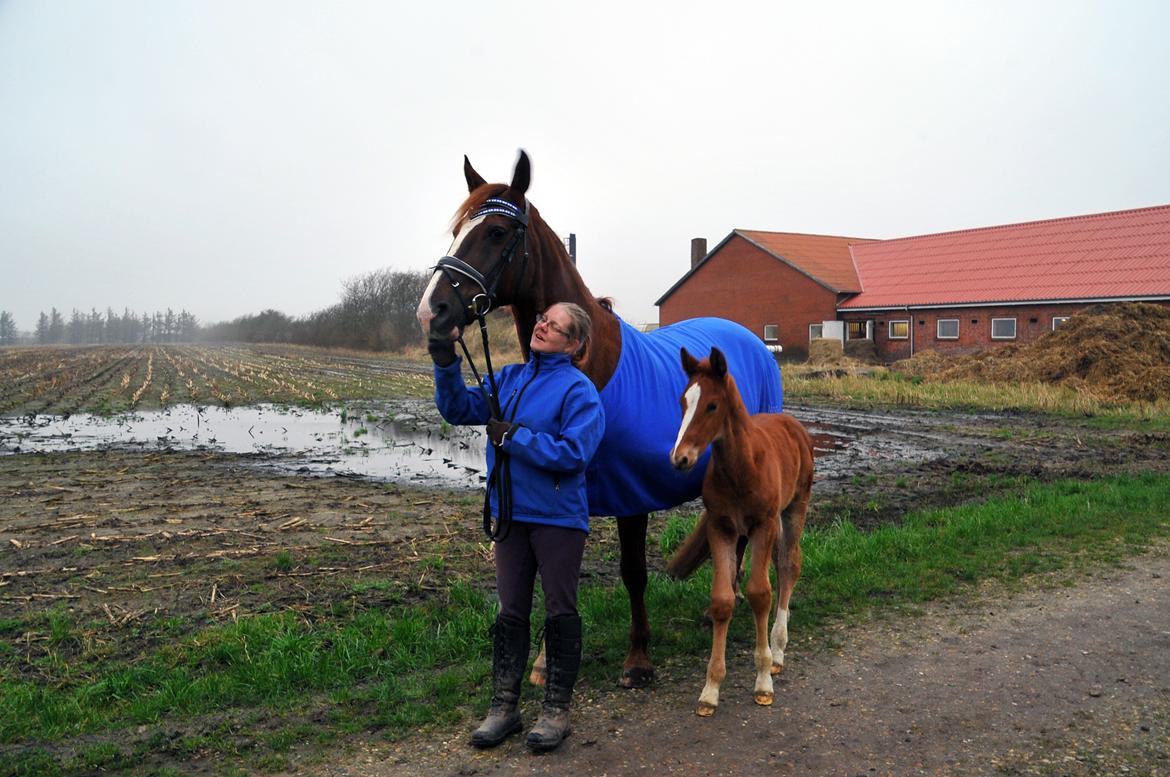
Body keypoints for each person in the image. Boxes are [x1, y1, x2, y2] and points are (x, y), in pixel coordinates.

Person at [429, 302, 605, 752]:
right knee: (511, 611)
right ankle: (504, 707)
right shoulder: (508, 378)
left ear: (573, 344)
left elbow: (574, 454)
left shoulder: (579, 391)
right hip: (510, 514)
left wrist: (515, 437)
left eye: (554, 326)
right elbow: (457, 408)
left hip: (557, 518)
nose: (542, 326)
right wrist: (445, 358)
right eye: (543, 319)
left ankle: (556, 712)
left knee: (560, 611)